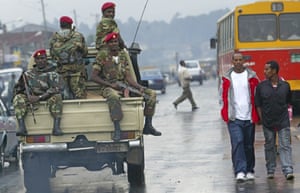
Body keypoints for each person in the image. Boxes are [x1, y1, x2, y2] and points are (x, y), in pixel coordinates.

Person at [91, 32, 161, 141]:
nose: (115, 44)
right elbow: (94, 76)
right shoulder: (102, 56)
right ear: (108, 44)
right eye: (112, 42)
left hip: (124, 86)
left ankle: (148, 126)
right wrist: (110, 85)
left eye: (116, 41)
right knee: (113, 97)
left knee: (151, 94)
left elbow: (128, 76)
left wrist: (138, 87)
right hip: (109, 87)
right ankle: (117, 128)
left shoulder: (123, 55)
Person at [220, 52, 260, 182]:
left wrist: (258, 114)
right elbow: (222, 97)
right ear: (232, 62)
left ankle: (249, 169)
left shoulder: (252, 77)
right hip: (234, 118)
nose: (238, 62)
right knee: (238, 142)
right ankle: (240, 171)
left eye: (240, 60)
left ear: (244, 61)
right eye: (235, 60)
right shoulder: (227, 78)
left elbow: (258, 95)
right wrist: (225, 113)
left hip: (249, 117)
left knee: (248, 145)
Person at [255, 60, 294, 180]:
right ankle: (270, 170)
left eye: (267, 69)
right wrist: (262, 120)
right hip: (268, 122)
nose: (264, 72)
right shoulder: (261, 87)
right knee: (270, 146)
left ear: (274, 71)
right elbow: (258, 105)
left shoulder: (285, 86)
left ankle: (288, 170)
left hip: (283, 121)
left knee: (285, 145)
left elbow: (288, 102)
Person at [13, 49, 64, 136]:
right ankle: (22, 127)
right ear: (35, 60)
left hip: (48, 97)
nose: (40, 61)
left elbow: (56, 88)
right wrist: (26, 95)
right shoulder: (28, 74)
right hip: (32, 98)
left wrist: (40, 97)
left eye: (42, 58)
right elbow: (18, 88)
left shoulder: (54, 72)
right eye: (38, 59)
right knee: (18, 98)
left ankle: (56, 127)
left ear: (46, 59)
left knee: (57, 97)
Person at [49, 16, 88, 99]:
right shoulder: (78, 36)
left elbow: (52, 55)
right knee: (80, 98)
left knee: (63, 98)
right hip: (77, 73)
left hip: (61, 73)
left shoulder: (54, 38)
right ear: (70, 25)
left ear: (60, 25)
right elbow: (85, 53)